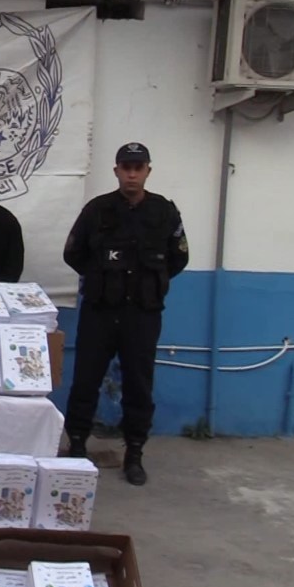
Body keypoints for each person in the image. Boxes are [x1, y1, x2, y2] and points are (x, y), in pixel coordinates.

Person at [62, 142, 189, 486]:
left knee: (139, 384)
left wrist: (149, 283)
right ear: (116, 170)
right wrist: (101, 279)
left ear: (148, 171)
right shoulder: (97, 210)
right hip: (100, 312)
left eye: (138, 168)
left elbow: (178, 257)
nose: (132, 174)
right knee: (86, 380)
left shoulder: (164, 212)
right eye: (126, 167)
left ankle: (134, 453)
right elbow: (73, 253)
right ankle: (77, 445)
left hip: (142, 314)